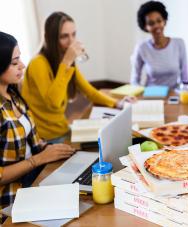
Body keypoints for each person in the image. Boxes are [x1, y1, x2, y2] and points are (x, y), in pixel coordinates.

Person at [21, 12, 134, 143]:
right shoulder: (38, 63)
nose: (71, 42)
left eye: (73, 34)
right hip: (45, 137)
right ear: (51, 39)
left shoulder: (63, 60)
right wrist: (67, 62)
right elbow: (53, 104)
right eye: (64, 36)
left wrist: (118, 103)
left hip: (61, 128)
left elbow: (89, 91)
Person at [0, 31, 75, 222]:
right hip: (10, 197)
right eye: (15, 62)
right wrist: (39, 159)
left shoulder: (13, 95)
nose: (22, 65)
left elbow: (32, 142)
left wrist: (53, 150)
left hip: (32, 178)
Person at [130, 1, 188, 89]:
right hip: (151, 95)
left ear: (164, 21)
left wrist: (185, 95)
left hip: (174, 95)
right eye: (151, 23)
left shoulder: (179, 43)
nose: (156, 26)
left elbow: (185, 77)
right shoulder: (142, 48)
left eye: (159, 21)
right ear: (145, 27)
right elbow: (135, 80)